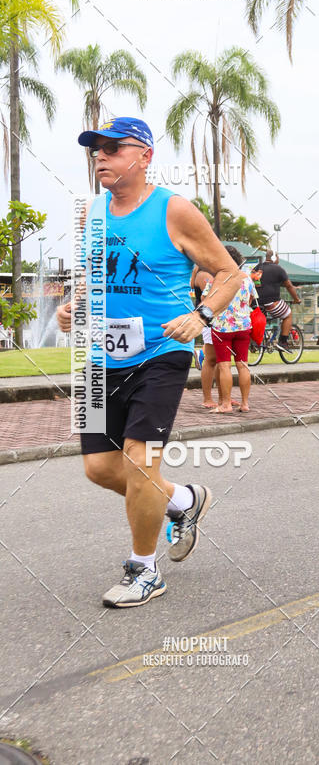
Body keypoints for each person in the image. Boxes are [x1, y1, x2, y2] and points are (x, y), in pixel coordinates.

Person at [56, 116, 243, 608]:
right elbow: (97, 275)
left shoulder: (174, 210)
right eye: (95, 149)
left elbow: (229, 273)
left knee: (140, 461)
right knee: (98, 468)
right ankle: (182, 500)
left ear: (144, 156)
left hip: (161, 350)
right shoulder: (91, 212)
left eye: (113, 148)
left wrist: (201, 316)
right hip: (98, 355)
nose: (101, 156)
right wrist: (76, 306)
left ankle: (144, 569)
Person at [204, 245, 257, 414]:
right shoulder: (247, 278)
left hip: (222, 327)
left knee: (224, 365)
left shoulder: (217, 279)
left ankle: (226, 404)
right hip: (243, 326)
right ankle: (245, 403)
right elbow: (249, 301)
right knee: (243, 365)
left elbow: (206, 301)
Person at [255, 248, 300, 348]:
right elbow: (289, 286)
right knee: (288, 315)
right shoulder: (279, 269)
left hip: (257, 303)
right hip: (271, 303)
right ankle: (283, 342)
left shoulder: (258, 267)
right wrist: (296, 299)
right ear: (276, 258)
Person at [191, 266, 219, 409]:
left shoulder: (203, 273)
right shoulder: (204, 275)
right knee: (212, 360)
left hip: (215, 319)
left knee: (220, 360)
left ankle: (223, 397)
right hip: (210, 319)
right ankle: (207, 398)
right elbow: (209, 296)